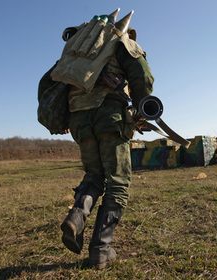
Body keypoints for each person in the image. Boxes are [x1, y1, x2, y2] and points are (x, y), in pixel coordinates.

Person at [57, 9, 154, 269]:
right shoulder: (121, 41)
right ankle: (100, 249)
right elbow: (142, 75)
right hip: (109, 116)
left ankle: (76, 218)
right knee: (118, 183)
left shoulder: (76, 49)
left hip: (79, 120)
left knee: (94, 175)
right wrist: (142, 108)